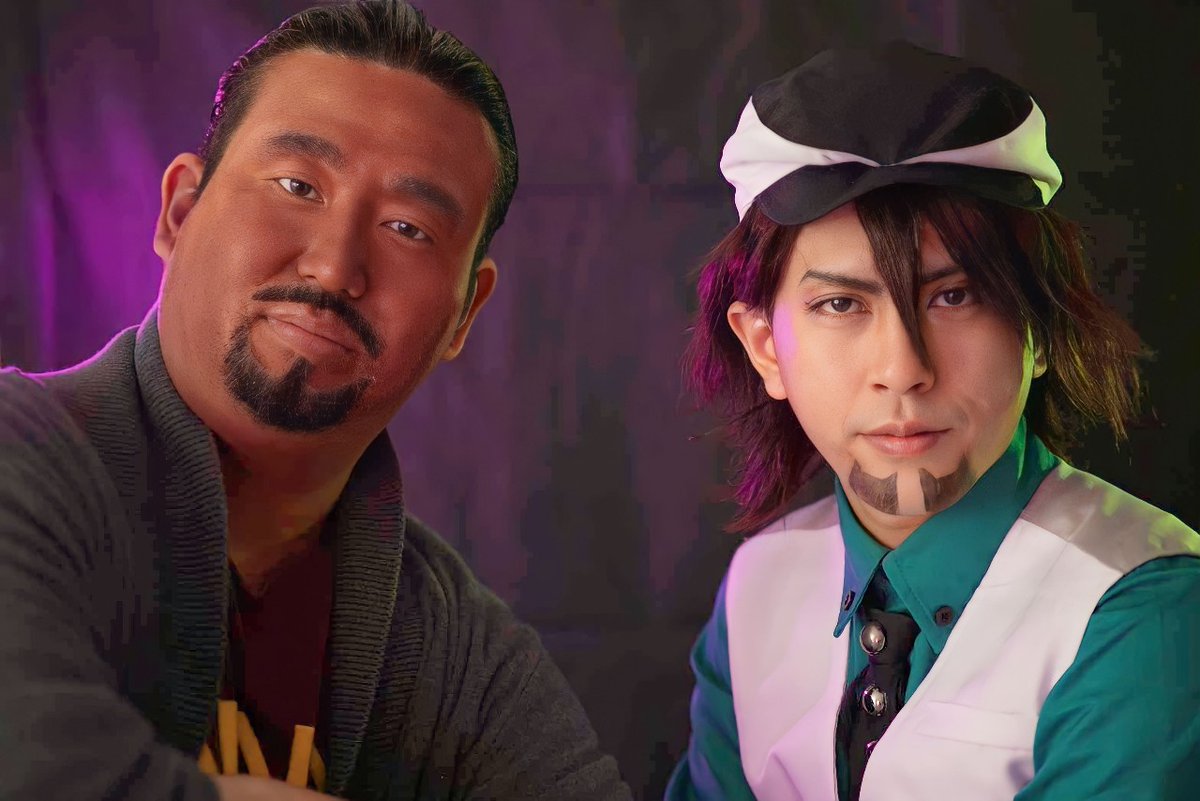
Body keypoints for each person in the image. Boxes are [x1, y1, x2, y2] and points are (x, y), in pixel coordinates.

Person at [0, 2, 631, 800]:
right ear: (180, 211)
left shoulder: (460, 654)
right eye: (298, 185)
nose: (334, 268)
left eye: (408, 228)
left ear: (464, 314)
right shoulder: (19, 465)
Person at [666, 41, 1200, 801]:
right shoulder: (758, 587)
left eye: (955, 296)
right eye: (841, 303)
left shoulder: (1145, 608)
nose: (903, 367)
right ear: (765, 347)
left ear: (1039, 325)